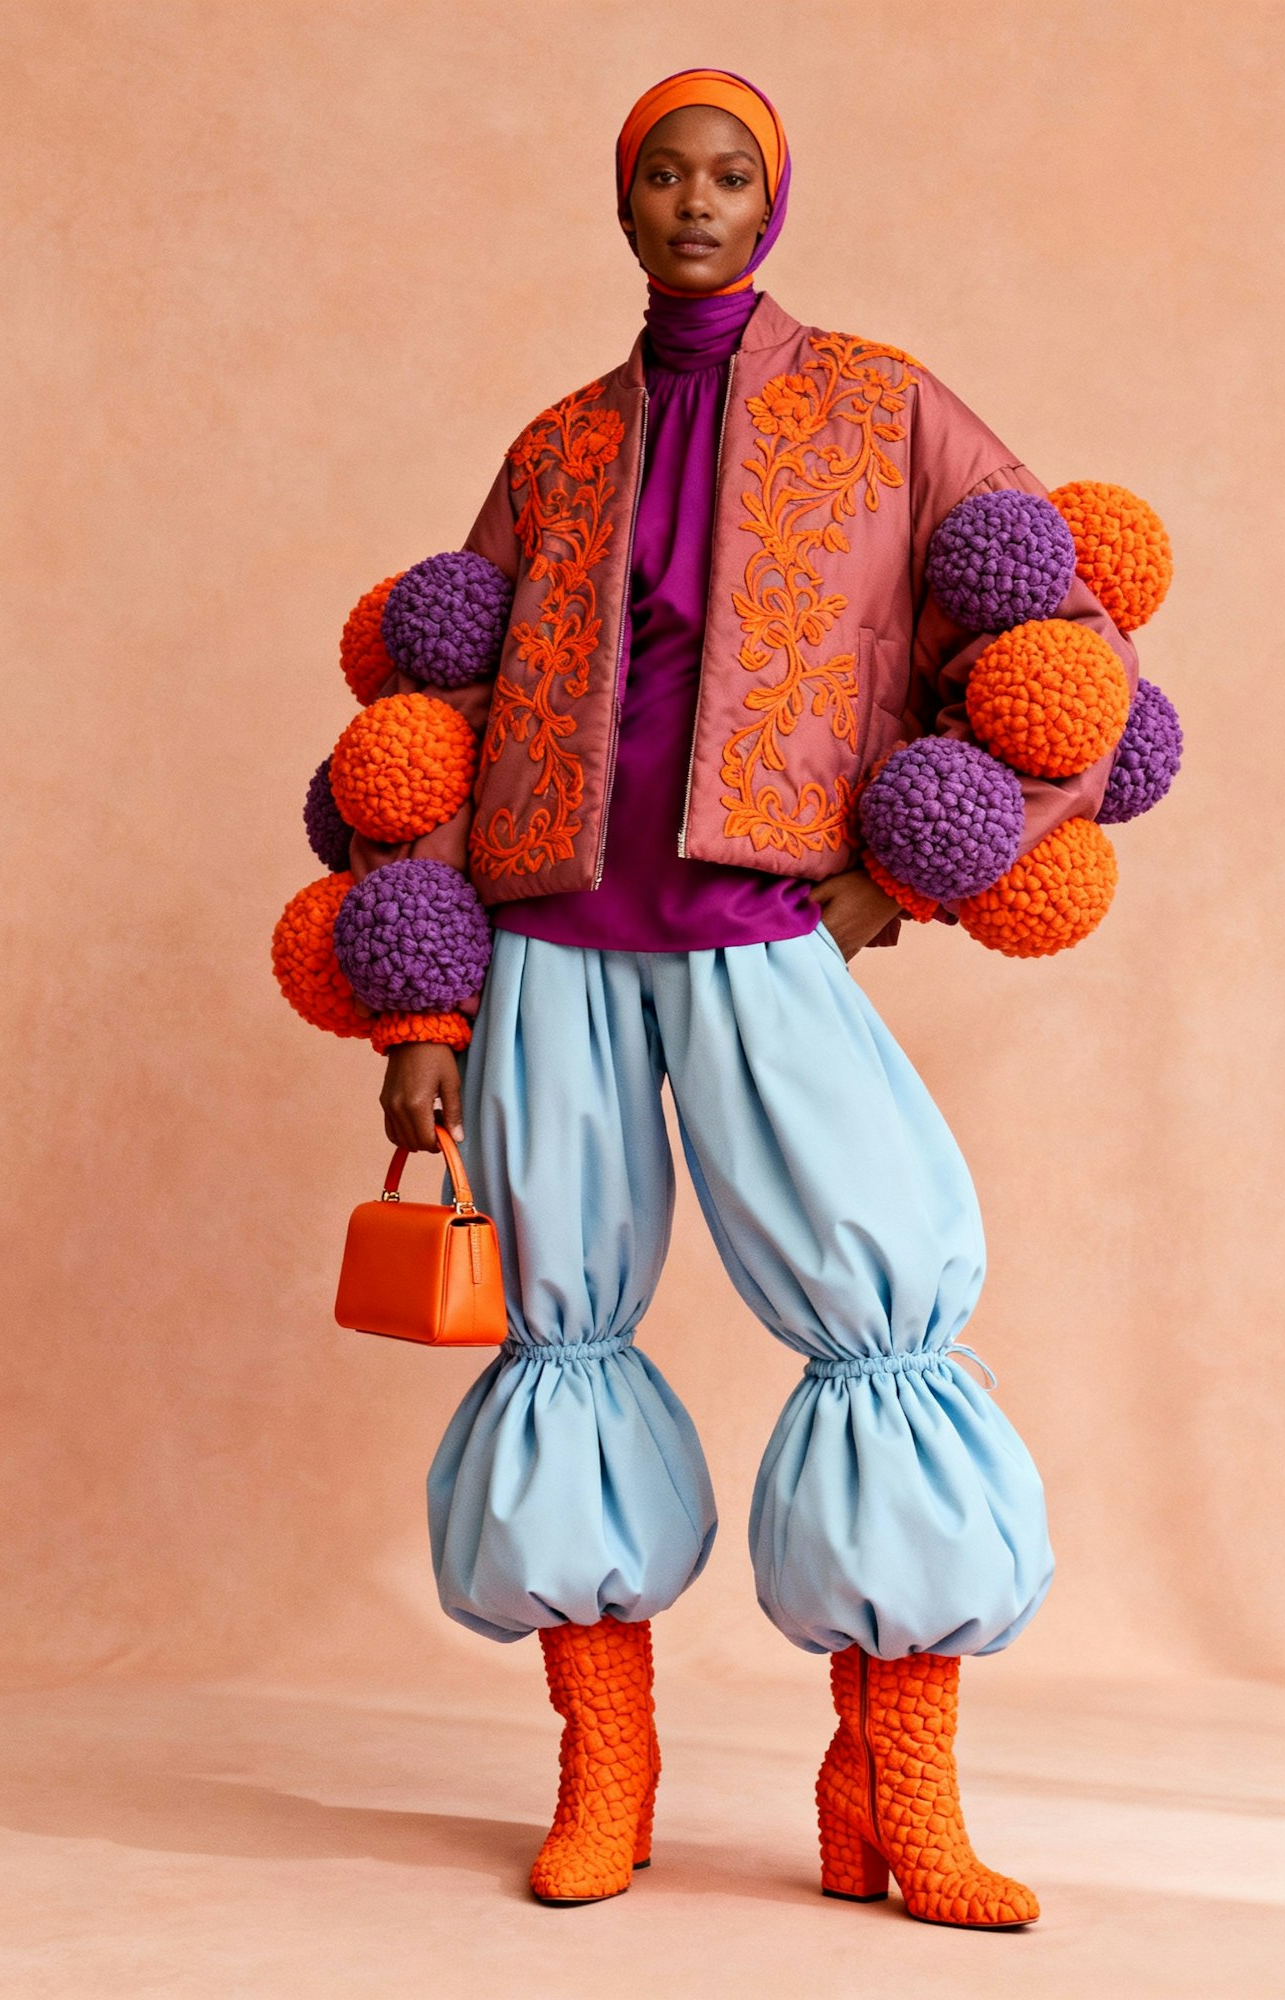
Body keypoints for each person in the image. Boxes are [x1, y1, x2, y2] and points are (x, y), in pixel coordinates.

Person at [373, 68, 1142, 1926]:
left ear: (772, 202)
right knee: (560, 1330)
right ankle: (607, 1769)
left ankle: (894, 1786)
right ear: (622, 203)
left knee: (882, 1313)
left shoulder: (881, 404)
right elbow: (438, 720)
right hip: (552, 928)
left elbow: (1059, 640)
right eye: (665, 174)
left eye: (731, 174)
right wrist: (421, 1009)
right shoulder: (558, 446)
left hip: (754, 922)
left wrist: (910, 869)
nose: (697, 203)